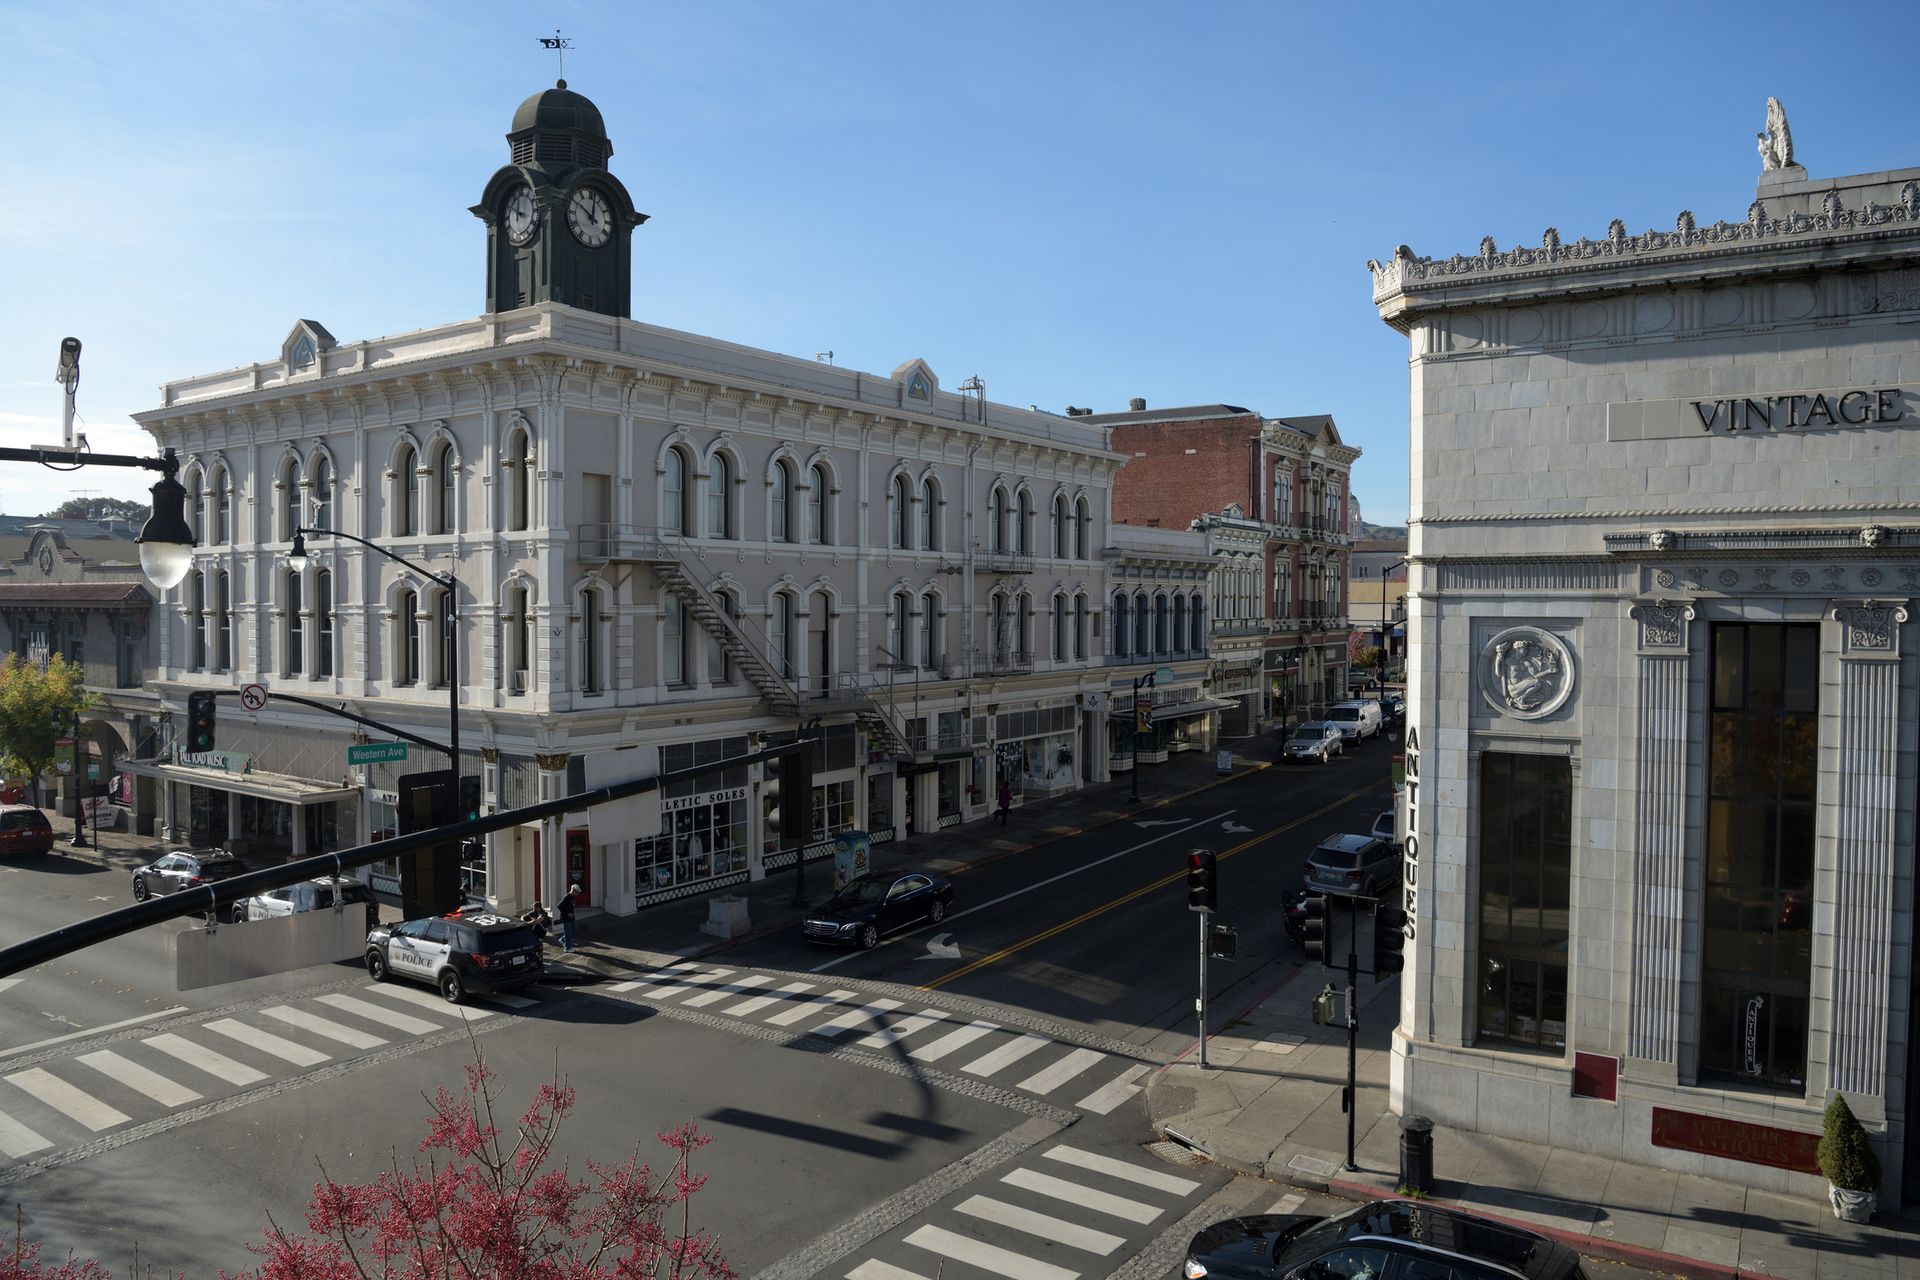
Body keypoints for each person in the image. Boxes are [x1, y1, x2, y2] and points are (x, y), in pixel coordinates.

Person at [557, 885, 578, 953]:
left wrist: (573, 912)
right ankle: (567, 948)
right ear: (573, 890)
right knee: (568, 933)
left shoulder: (573, 897)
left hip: (571, 918)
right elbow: (559, 906)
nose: (578, 893)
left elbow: (572, 906)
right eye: (577, 892)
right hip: (566, 918)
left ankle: (563, 939)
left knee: (574, 929)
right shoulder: (567, 897)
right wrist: (568, 913)